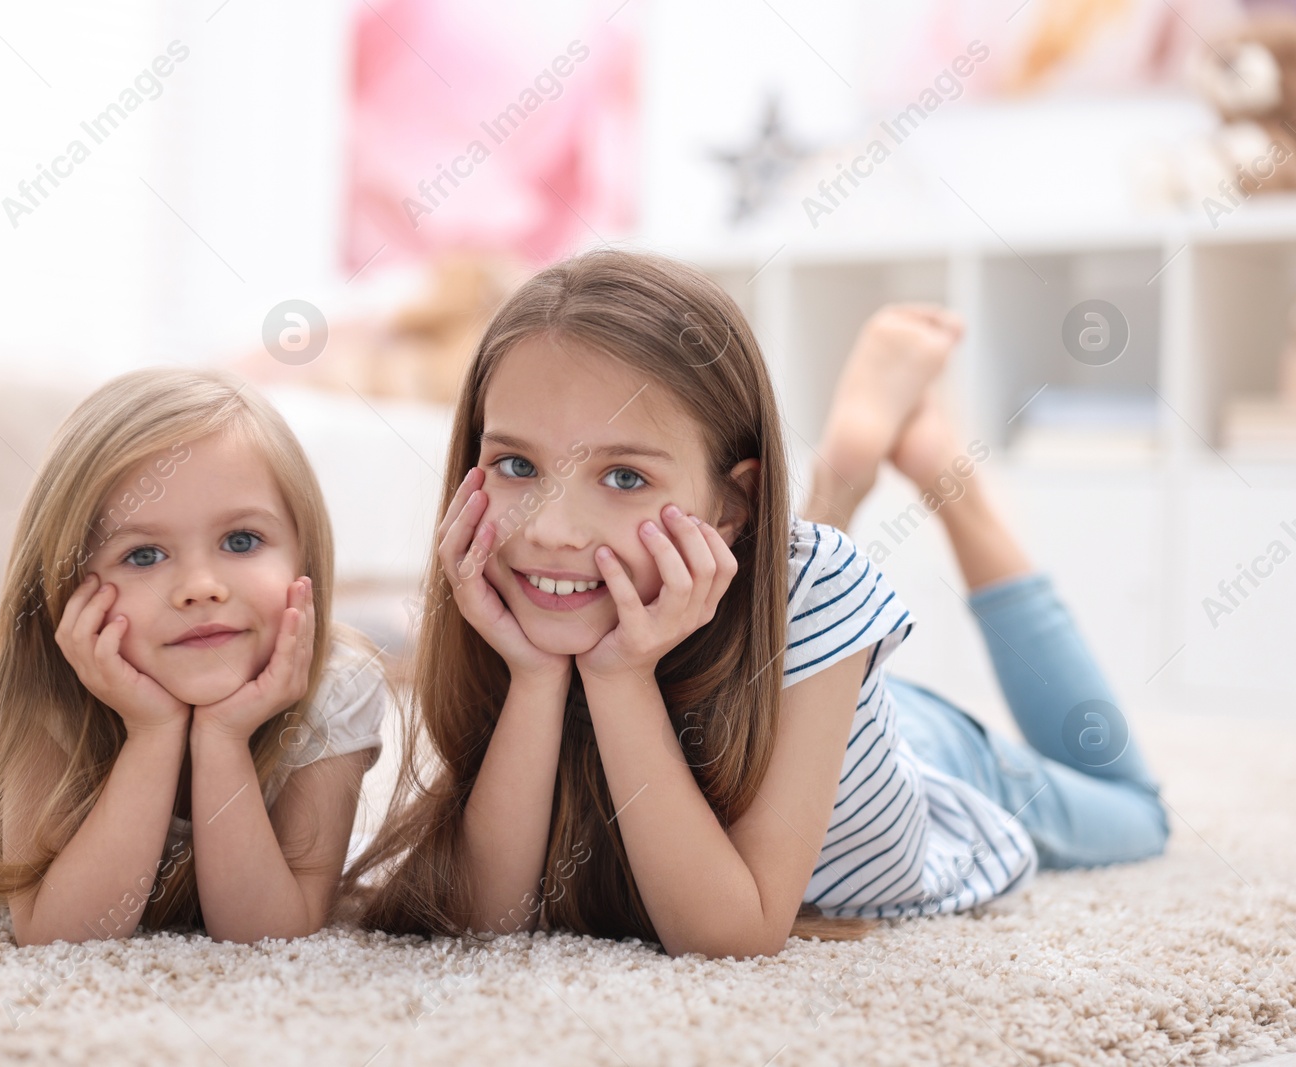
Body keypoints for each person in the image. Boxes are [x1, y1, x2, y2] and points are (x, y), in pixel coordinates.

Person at [342, 249, 1169, 958]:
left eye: (624, 477)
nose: (551, 530)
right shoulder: (514, 605)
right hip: (784, 668)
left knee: (1139, 816)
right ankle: (841, 483)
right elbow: (488, 921)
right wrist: (532, 675)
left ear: (735, 504)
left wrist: (622, 676)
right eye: (517, 465)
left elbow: (733, 932)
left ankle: (948, 484)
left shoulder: (816, 586)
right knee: (788, 600)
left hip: (914, 756)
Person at [0, 368, 390, 946]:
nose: (200, 587)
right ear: (68, 587)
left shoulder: (336, 685)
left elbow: (268, 932)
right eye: (143, 555)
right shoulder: (50, 687)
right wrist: (153, 730)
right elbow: (61, 935)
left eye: (241, 541)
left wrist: (223, 739)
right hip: (26, 739)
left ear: (304, 556)